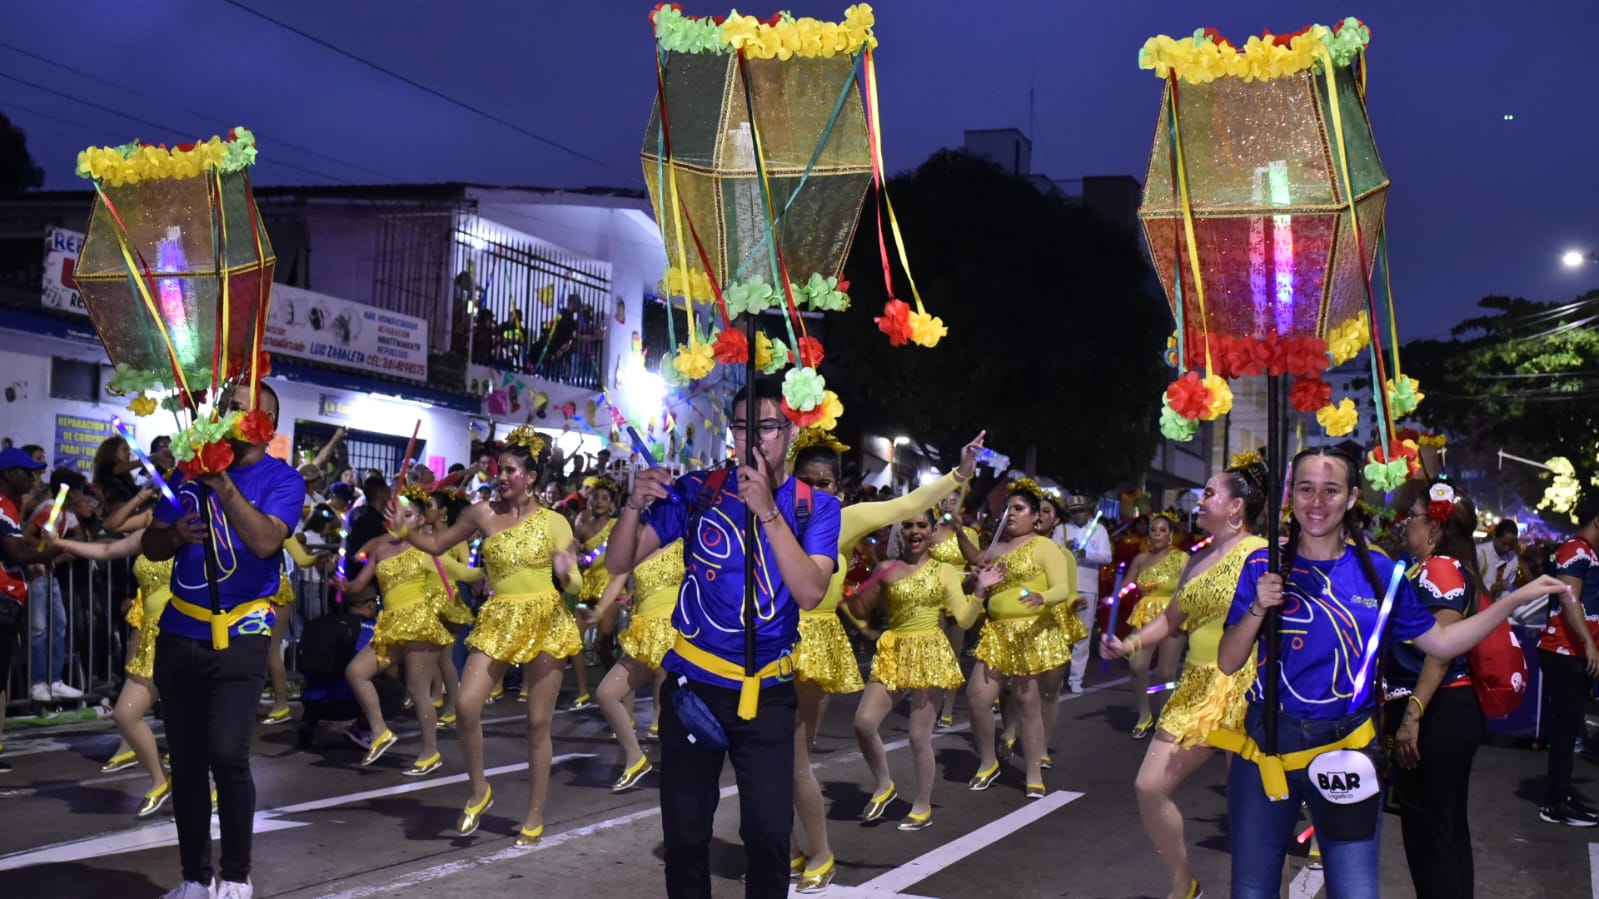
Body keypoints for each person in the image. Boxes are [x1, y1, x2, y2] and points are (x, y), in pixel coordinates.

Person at [1216, 445, 1572, 899]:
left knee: (1357, 891)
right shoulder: (1261, 565)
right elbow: (1228, 661)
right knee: (1251, 890)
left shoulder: (1379, 571)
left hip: (1347, 750)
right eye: (1306, 489)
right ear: (1292, 496)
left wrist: (1514, 600)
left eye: (1331, 490)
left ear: (1350, 498)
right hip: (1266, 748)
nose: (1317, 502)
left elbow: (1442, 644)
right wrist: (1256, 607)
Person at [606, 377, 842, 899]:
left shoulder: (815, 507)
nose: (752, 440)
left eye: (767, 428)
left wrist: (767, 511)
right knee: (687, 835)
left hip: (769, 695)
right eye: (741, 427)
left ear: (791, 432)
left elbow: (809, 591)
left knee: (767, 834)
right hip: (693, 689)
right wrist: (632, 505)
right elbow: (619, 561)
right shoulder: (701, 490)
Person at [784, 428, 982, 891]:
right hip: (763, 644)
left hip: (810, 646)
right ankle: (790, 847)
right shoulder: (772, 518)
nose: (816, 492)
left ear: (839, 488)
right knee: (763, 757)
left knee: (794, 758)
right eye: (806, 482)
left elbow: (905, 505)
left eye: (826, 483)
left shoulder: (842, 521)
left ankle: (819, 853)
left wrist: (960, 473)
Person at [144, 383, 306, 899]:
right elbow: (152, 540)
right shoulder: (186, 471)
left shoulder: (283, 480)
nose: (226, 415)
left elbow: (264, 541)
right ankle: (194, 877)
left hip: (241, 634)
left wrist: (224, 486)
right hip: (179, 632)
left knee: (226, 754)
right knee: (186, 760)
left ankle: (236, 876)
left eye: (239, 409)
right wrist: (173, 537)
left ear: (267, 424)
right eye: (226, 407)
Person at [391, 425, 582, 845]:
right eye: (500, 469)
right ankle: (480, 791)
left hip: (546, 618)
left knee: (536, 723)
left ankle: (534, 816)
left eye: (511, 470)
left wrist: (568, 571)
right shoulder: (481, 512)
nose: (502, 475)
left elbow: (575, 585)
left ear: (531, 477)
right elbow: (439, 544)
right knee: (465, 704)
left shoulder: (554, 522)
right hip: (499, 618)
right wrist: (407, 533)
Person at [1102, 454, 1268, 899]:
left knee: (1252, 813)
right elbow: (1171, 620)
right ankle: (1183, 883)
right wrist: (1131, 643)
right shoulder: (1199, 560)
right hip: (1196, 688)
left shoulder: (1259, 555)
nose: (1200, 500)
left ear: (1237, 507)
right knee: (1149, 786)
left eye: (1210, 493)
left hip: (1243, 687)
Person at [1383, 478, 1490, 897]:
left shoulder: (1440, 569)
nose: (1406, 523)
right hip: (1437, 708)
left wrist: (1412, 716)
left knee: (1430, 838)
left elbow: (1440, 651)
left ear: (1435, 527)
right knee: (1444, 831)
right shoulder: (1429, 569)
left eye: (1414, 516)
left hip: (1436, 709)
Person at [848, 509, 982, 832]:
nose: (915, 531)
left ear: (933, 530)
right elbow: (859, 609)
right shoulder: (886, 569)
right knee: (863, 723)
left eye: (922, 525)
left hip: (930, 652)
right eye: (907, 525)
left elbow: (963, 619)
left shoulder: (946, 571)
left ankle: (922, 806)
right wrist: (850, 581)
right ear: (900, 532)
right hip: (894, 650)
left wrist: (980, 591)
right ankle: (885, 784)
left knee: (918, 736)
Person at [336, 484, 477, 775]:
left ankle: (430, 752)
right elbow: (357, 587)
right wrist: (341, 585)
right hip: (390, 625)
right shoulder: (380, 549)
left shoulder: (427, 548)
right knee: (356, 672)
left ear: (421, 520)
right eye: (397, 512)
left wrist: (494, 574)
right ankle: (379, 731)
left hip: (419, 622)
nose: (400, 517)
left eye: (409, 513)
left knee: (417, 688)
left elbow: (462, 572)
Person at [966, 478, 1076, 798]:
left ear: (1034, 517)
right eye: (1007, 509)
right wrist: (978, 584)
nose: (1011, 514)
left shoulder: (1045, 547)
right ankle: (988, 762)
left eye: (1019, 508)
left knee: (1028, 703)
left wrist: (1043, 597)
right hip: (996, 632)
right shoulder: (994, 549)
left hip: (1029, 631)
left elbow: (1062, 589)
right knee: (977, 699)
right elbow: (972, 581)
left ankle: (1032, 771)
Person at [1538, 493, 1599, 826]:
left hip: (1576, 653)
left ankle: (1562, 791)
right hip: (1563, 652)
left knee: (1570, 728)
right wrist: (1589, 644)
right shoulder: (1575, 550)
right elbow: (1569, 600)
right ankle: (1554, 802)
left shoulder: (1589, 553)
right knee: (1564, 730)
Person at [1120, 513, 1189, 739]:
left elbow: (1188, 586)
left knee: (1166, 672)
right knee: (1137, 665)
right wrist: (1122, 589)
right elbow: (1127, 583)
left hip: (1172, 613)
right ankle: (1144, 713)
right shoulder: (1140, 558)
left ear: (1170, 534)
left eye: (1162, 530)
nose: (1157, 534)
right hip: (1144, 614)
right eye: (1153, 530)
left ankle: (1164, 715)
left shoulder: (1182, 558)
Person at [1062, 494, 1111, 693]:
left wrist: (1086, 554)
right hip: (1064, 588)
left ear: (1087, 511)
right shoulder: (1061, 530)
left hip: (1087, 588)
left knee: (1083, 635)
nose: (1078, 515)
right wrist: (1063, 550)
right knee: (1061, 634)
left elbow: (1107, 557)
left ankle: (1076, 679)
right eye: (1074, 512)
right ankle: (1055, 676)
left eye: (1081, 511)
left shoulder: (1098, 530)